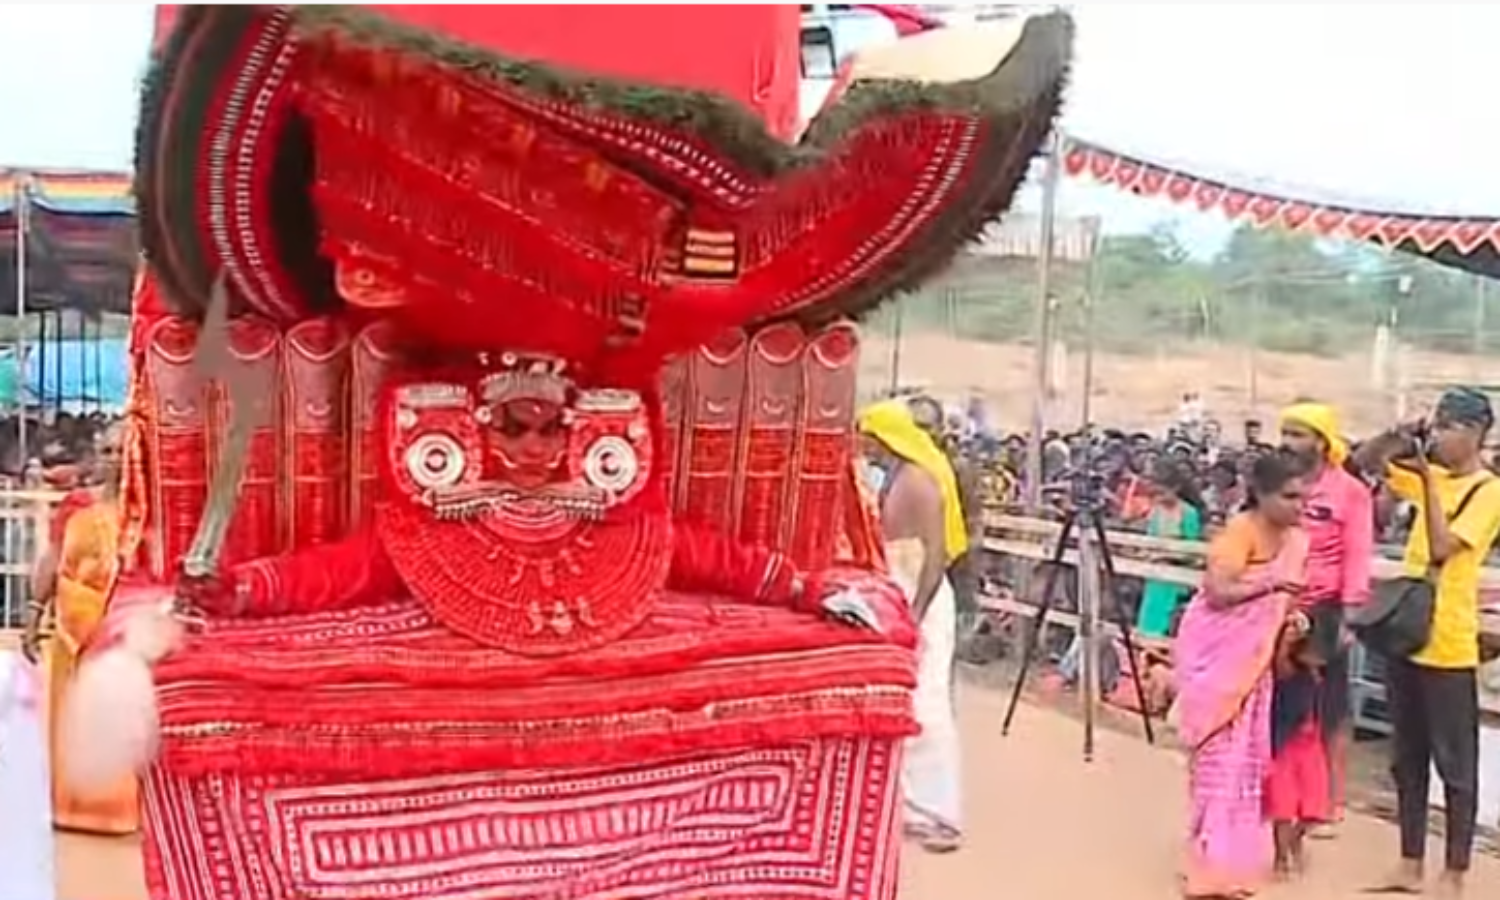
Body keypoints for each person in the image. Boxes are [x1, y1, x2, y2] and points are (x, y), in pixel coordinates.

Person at [64, 7, 1070, 899]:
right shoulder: (433, 490)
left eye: (551, 423)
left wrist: (807, 589)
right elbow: (355, 565)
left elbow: (691, 551)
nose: (535, 444)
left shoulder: (618, 483)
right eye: (517, 424)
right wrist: (233, 595)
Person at [1355, 388, 1500, 898]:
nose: (1438, 436)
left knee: (1455, 763)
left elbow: (1442, 545)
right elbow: (1364, 461)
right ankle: (1409, 862)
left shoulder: (1489, 492)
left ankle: (1454, 871)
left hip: (1449, 642)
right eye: (1435, 426)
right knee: (1407, 757)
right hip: (1408, 636)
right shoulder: (1428, 473)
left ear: (1476, 432)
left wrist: (1428, 482)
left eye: (1447, 427)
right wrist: (1398, 435)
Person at [1173, 452, 1309, 899]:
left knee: (1244, 766)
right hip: (1216, 658)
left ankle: (1231, 866)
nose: (1298, 505)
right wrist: (1269, 586)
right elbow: (1218, 591)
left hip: (1256, 664)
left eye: (1303, 497)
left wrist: (1293, 621)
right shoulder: (1239, 532)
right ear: (1261, 494)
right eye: (1289, 496)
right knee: (1217, 764)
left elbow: (1288, 601)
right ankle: (1206, 869)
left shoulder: (1296, 542)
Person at [859, 399, 968, 853]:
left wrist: (916, 613)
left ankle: (941, 812)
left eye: (867, 438)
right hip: (901, 592)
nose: (863, 446)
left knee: (928, 703)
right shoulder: (896, 476)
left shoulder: (920, 481)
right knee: (905, 699)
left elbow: (935, 556)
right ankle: (911, 805)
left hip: (921, 597)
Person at [21, 423, 137, 835]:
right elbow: (53, 559)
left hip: (124, 635)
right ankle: (68, 808)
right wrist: (34, 612)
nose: (114, 459)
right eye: (107, 450)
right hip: (73, 634)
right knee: (69, 715)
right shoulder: (76, 506)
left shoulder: (149, 511)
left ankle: (117, 810)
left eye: (123, 451)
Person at [1277, 402, 1373, 838]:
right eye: (1285, 433)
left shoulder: (1350, 492)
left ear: (1321, 441)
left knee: (1329, 709)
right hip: (1279, 603)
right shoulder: (1283, 485)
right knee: (1281, 705)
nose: (1288, 442)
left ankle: (1329, 804)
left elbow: (1358, 552)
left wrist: (1351, 614)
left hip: (1326, 609)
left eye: (1298, 434)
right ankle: (1281, 797)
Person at [1136, 461, 1205, 639]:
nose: (1159, 498)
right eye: (1156, 494)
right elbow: (1151, 539)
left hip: (1177, 575)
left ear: (1176, 488)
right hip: (1155, 573)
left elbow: (1192, 549)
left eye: (1163, 493)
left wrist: (1168, 556)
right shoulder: (1156, 512)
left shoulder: (1188, 513)